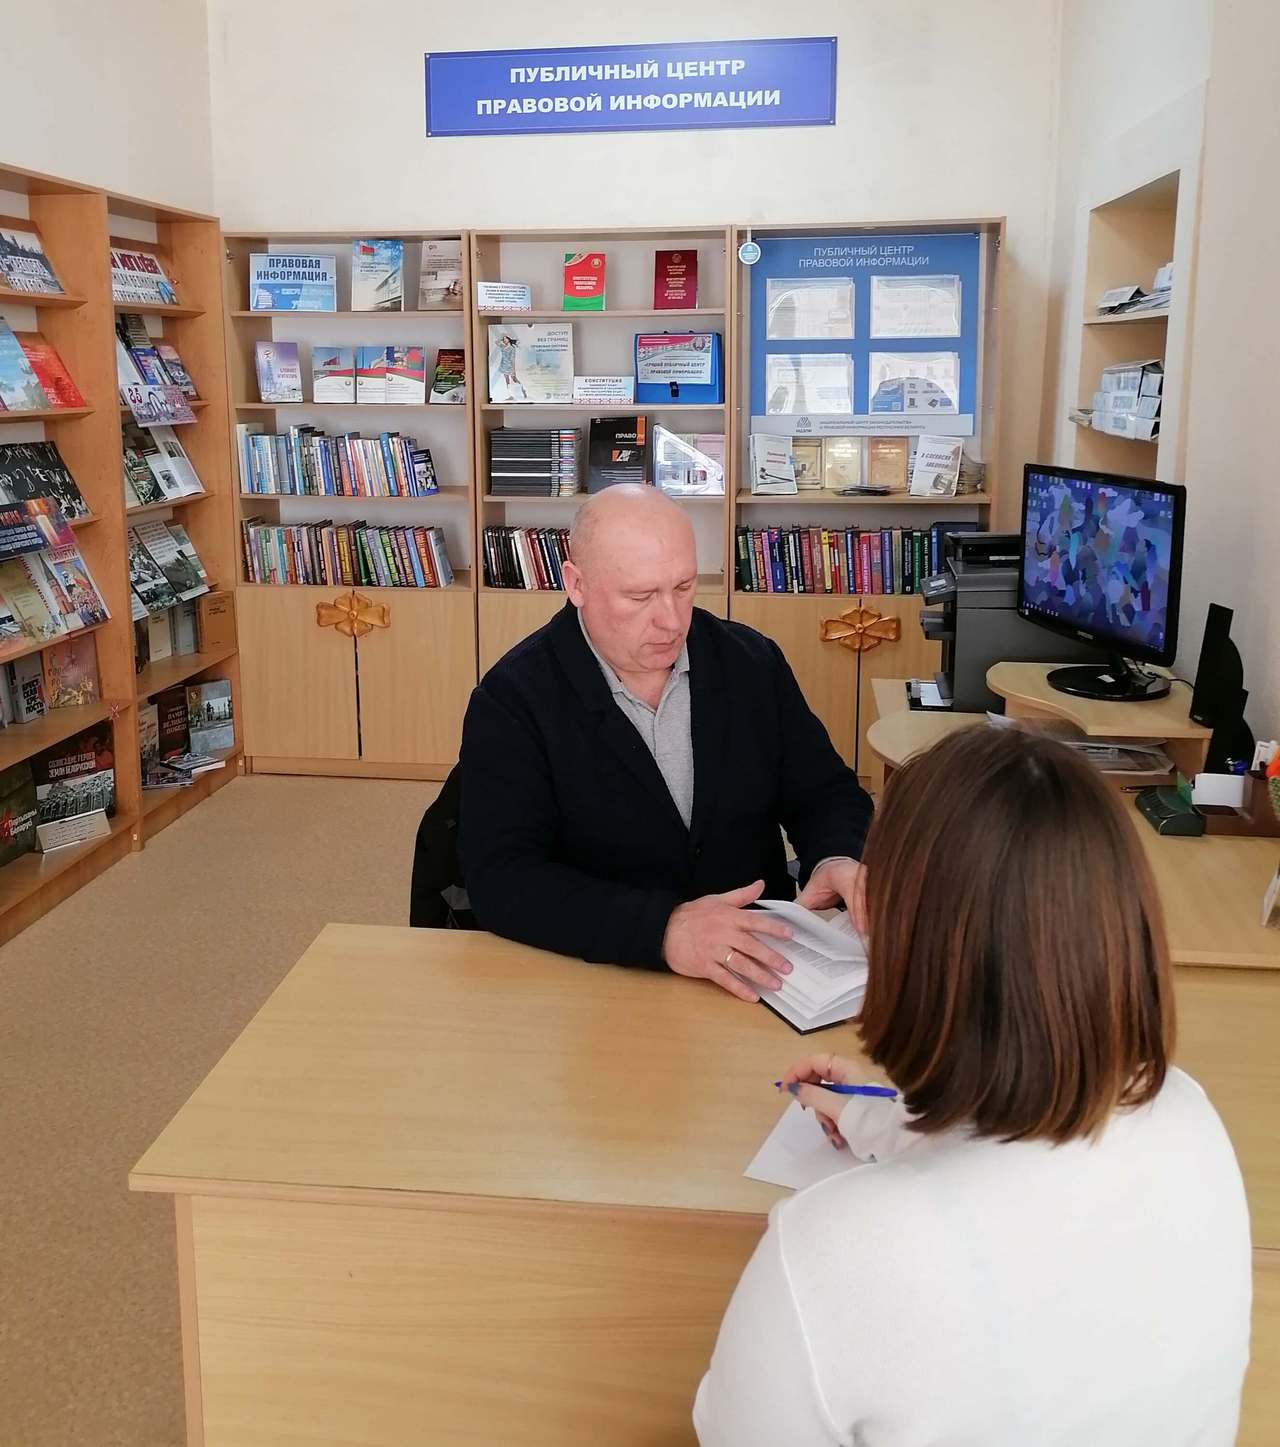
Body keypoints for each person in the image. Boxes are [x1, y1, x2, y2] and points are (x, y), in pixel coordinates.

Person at [694, 725, 1251, 1446]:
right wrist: (873, 1116)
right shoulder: (1189, 1117)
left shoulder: (829, 1251)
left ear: (910, 952)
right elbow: (1006, 1162)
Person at [458, 484, 873, 1001]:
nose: (672, 620)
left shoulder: (750, 663)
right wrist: (662, 929)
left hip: (760, 973)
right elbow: (502, 879)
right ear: (576, 584)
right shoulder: (512, 700)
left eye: (683, 586)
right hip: (599, 984)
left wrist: (837, 855)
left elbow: (825, 791)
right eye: (640, 596)